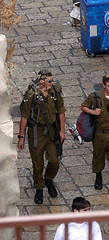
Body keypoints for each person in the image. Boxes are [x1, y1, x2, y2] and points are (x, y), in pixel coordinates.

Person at [18, 70, 66, 204]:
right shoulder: (31, 95)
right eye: (49, 81)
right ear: (42, 81)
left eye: (52, 80)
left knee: (54, 160)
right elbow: (24, 117)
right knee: (37, 163)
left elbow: (61, 110)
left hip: (52, 131)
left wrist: (62, 130)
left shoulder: (56, 91)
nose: (52, 83)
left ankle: (49, 179)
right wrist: (21, 137)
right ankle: (39, 188)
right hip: (36, 132)